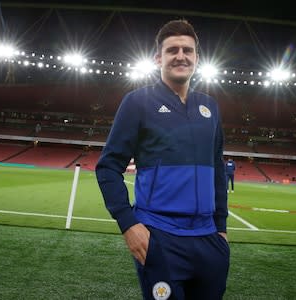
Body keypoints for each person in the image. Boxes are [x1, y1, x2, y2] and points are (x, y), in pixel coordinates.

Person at [96, 19, 229, 300]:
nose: (181, 55)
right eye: (172, 50)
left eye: (187, 50)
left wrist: (222, 230)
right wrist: (129, 224)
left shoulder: (211, 107)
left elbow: (217, 170)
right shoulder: (137, 102)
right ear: (159, 58)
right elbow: (108, 166)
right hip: (160, 236)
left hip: (209, 240)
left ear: (197, 58)